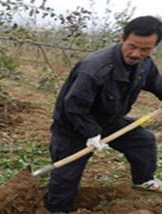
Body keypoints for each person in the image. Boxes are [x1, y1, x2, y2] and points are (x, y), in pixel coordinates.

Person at [45, 16, 162, 213]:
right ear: (122, 38)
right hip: (74, 126)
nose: (136, 54)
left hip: (109, 120)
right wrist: (91, 132)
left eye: (145, 49)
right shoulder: (94, 68)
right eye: (132, 46)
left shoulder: (145, 64)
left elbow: (155, 82)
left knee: (143, 141)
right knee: (67, 176)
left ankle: (144, 180)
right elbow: (73, 105)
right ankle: (56, 209)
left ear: (154, 48)